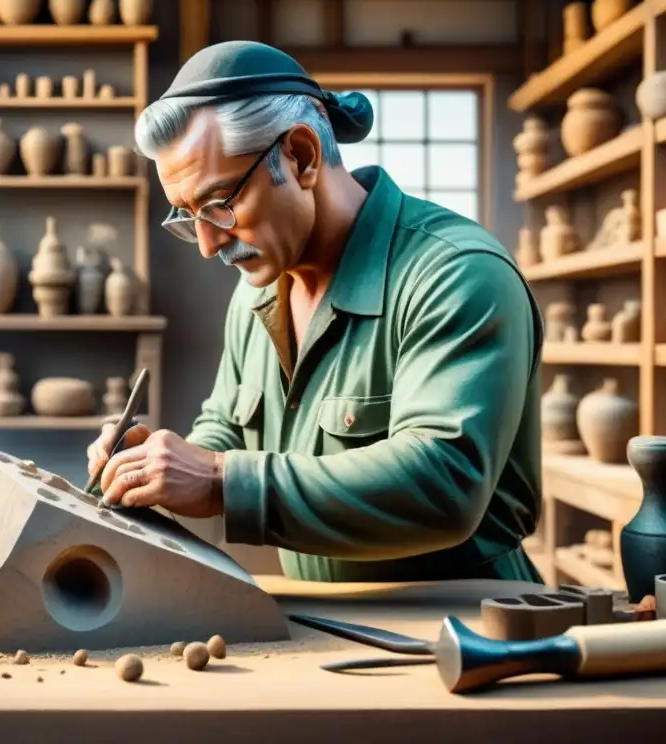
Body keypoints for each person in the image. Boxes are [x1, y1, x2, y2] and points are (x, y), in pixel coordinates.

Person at [85, 40, 545, 583]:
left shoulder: (455, 273)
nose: (209, 245)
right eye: (187, 216)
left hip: (469, 621)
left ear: (300, 157)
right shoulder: (258, 288)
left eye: (219, 205)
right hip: (331, 624)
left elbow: (444, 484)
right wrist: (161, 466)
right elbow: (227, 426)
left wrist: (217, 480)